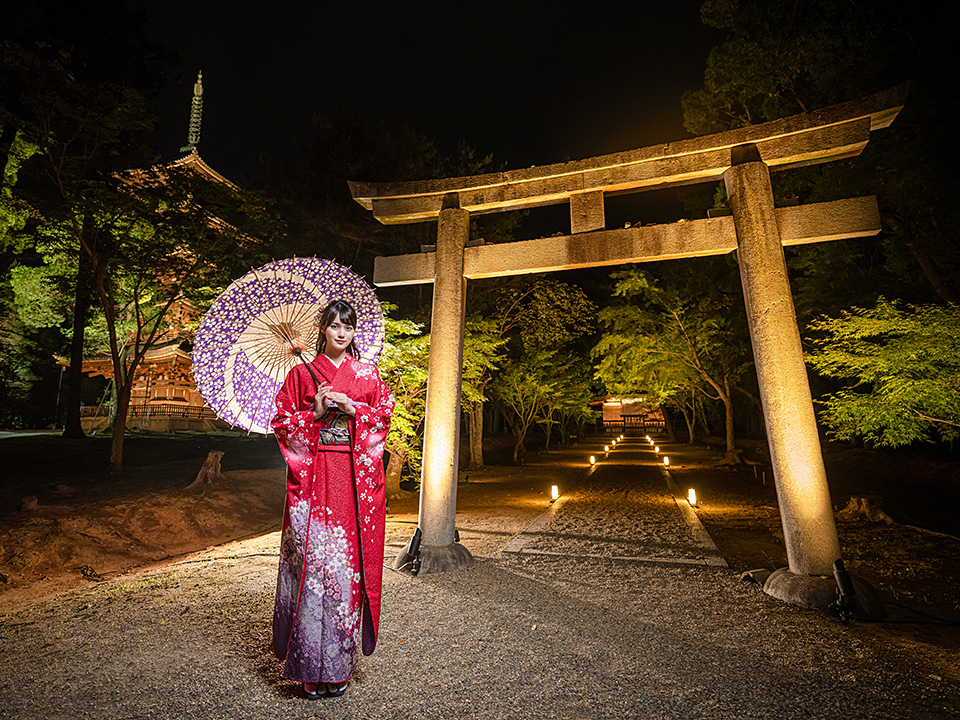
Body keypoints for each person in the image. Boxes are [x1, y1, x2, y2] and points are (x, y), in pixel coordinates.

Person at [270, 300, 394, 700]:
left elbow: (383, 416)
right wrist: (316, 412)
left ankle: (337, 668)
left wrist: (353, 407)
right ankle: (308, 667)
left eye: (348, 327)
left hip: (352, 481)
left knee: (345, 573)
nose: (342, 333)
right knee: (313, 571)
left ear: (355, 332)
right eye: (334, 326)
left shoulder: (367, 375)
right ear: (322, 329)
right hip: (314, 476)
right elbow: (283, 423)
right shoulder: (299, 376)